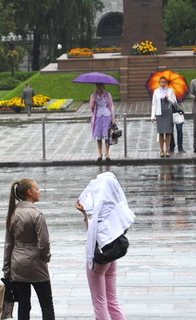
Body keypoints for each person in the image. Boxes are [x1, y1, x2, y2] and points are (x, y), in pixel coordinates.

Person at [75, 172, 135, 320]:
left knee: (100, 303)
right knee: (112, 301)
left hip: (99, 259)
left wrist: (85, 213)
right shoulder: (115, 208)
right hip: (111, 256)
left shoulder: (96, 210)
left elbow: (92, 230)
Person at [3, 179, 55, 320]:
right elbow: (43, 242)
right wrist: (46, 257)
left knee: (24, 305)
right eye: (37, 189)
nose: (39, 192)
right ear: (29, 192)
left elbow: (8, 244)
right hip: (36, 263)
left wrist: (7, 270)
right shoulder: (37, 214)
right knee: (46, 304)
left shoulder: (12, 214)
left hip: (17, 263)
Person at [151, 76, 177, 157]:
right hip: (160, 112)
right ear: (159, 83)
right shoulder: (156, 91)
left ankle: (167, 150)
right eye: (161, 82)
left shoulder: (170, 91)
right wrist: (152, 116)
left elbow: (174, 102)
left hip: (168, 112)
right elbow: (154, 104)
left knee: (168, 132)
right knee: (161, 132)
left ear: (167, 83)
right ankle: (162, 150)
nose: (163, 83)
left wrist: (168, 98)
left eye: (164, 82)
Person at [90, 83, 116, 161]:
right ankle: (100, 153)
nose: (99, 87)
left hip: (107, 116)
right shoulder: (93, 96)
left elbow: (111, 106)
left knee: (107, 136)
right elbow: (91, 109)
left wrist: (113, 118)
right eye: (97, 85)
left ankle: (107, 154)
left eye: (100, 85)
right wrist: (94, 102)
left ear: (103, 86)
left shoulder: (107, 95)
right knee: (99, 136)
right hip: (98, 116)